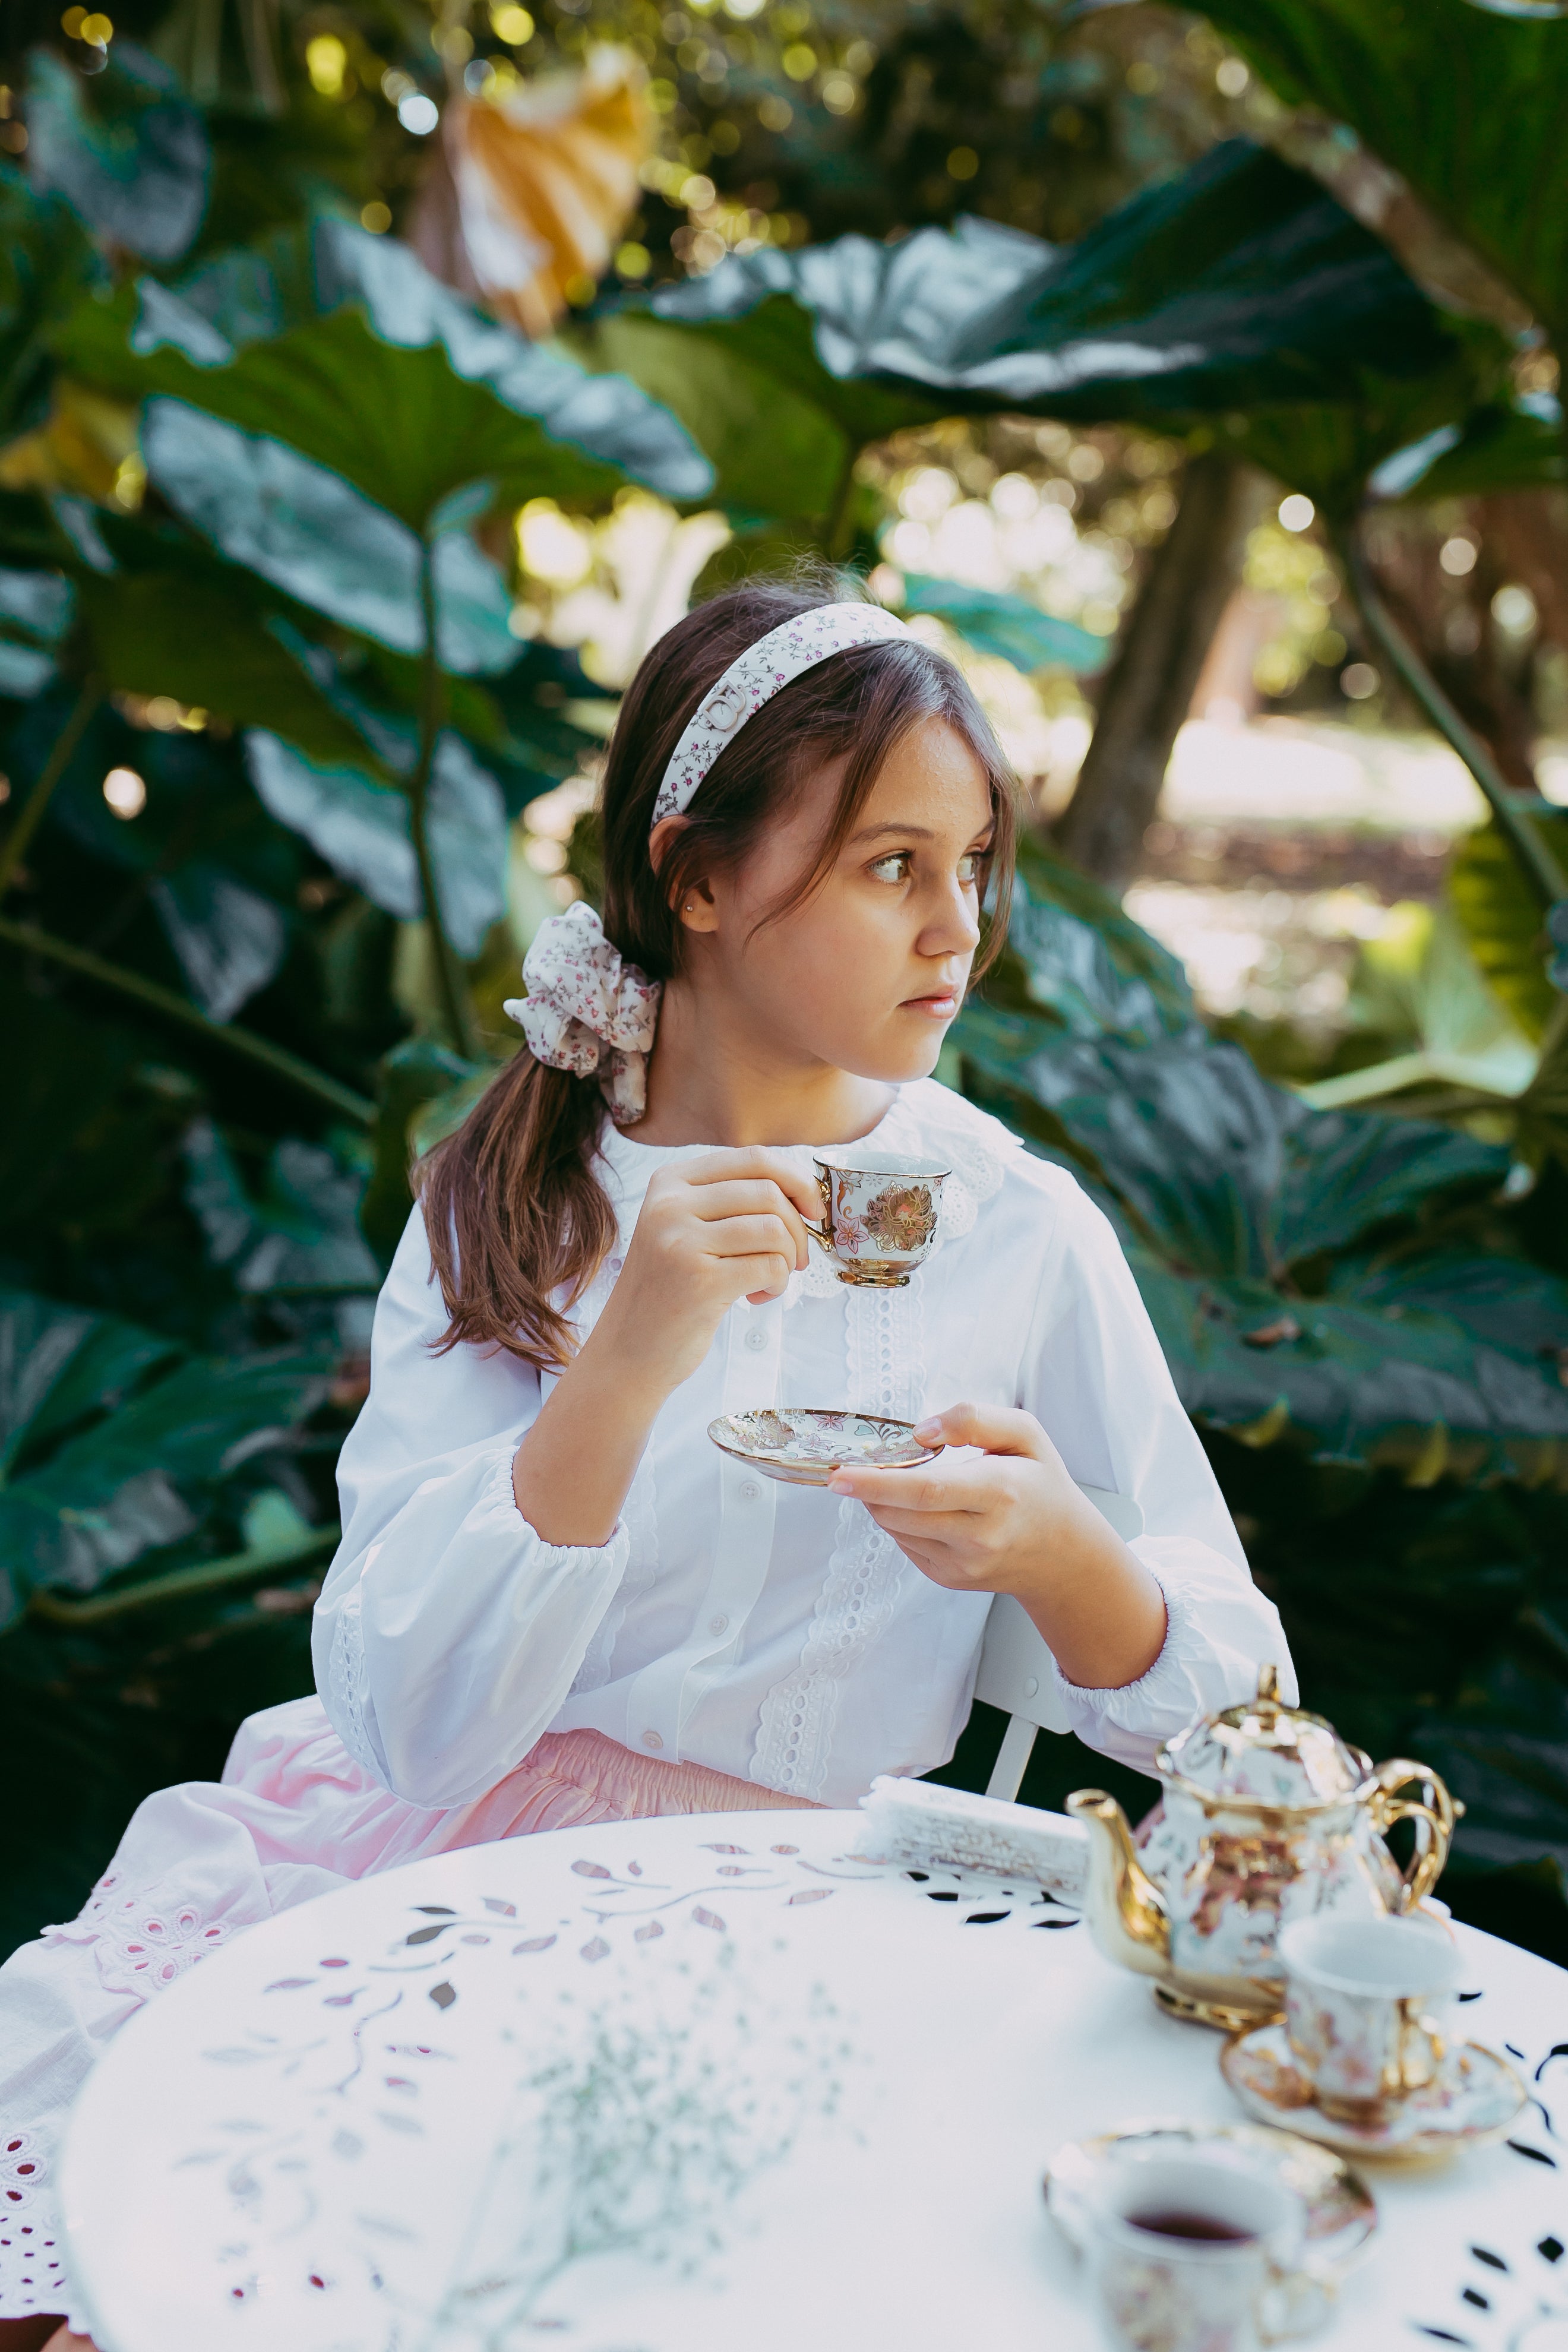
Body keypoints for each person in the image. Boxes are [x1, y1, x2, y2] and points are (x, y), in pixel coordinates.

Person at [0, 576, 1292, 2345]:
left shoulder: (1016, 1233)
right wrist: (626, 1361)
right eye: (889, 865)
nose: (957, 927)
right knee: (103, 2292)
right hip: (450, 1886)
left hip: (811, 1930)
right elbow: (417, 1724)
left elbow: (1248, 1729)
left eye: (974, 863)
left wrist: (1067, 1558)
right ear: (694, 875)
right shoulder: (510, 1202)